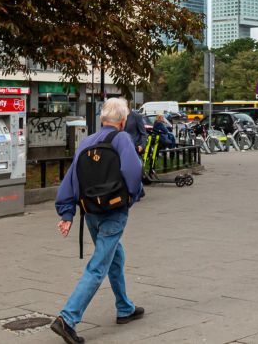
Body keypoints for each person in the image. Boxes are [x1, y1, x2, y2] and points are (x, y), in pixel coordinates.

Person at [51, 97, 145, 344]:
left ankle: (124, 307)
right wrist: (130, 198)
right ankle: (67, 318)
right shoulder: (122, 139)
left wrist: (66, 213)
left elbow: (72, 178)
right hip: (114, 210)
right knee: (98, 266)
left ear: (102, 118)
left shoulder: (87, 142)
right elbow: (133, 172)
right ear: (123, 121)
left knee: (115, 256)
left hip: (90, 212)